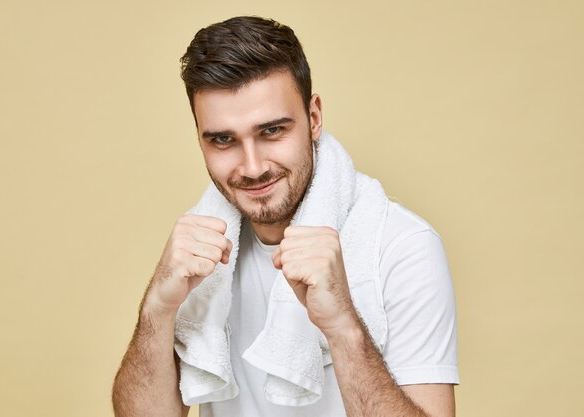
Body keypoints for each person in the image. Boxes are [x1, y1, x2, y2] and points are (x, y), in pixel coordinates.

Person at [112, 16, 458, 417]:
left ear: (313, 117)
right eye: (223, 140)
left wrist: (343, 325)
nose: (253, 167)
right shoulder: (201, 249)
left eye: (272, 131)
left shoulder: (402, 246)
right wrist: (157, 306)